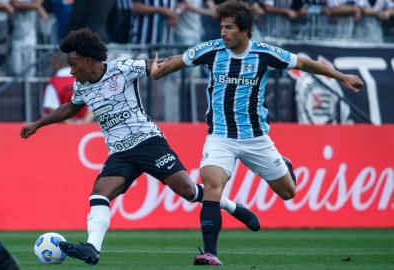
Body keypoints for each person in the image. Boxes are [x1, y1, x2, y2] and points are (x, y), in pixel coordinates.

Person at [20, 28, 260, 265]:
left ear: (89, 60)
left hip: (147, 142)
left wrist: (165, 65)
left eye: (74, 64)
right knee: (99, 194)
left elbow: (154, 65)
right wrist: (38, 124)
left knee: (188, 191)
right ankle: (92, 248)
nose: (71, 70)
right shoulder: (82, 86)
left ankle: (231, 205)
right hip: (120, 153)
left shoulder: (121, 68)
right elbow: (70, 107)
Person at [151, 0, 364, 265]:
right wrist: (158, 71)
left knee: (288, 193)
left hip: (256, 138)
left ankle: (284, 165)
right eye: (222, 27)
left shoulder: (264, 53)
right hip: (220, 136)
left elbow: (304, 64)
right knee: (212, 184)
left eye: (229, 28)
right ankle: (210, 253)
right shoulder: (212, 50)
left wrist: (341, 76)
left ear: (245, 30)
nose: (223, 33)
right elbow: (180, 60)